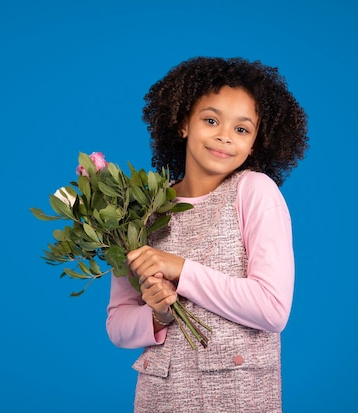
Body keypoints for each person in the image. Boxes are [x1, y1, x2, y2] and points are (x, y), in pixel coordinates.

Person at [106, 56, 309, 413]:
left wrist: (181, 269)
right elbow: (118, 326)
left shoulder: (255, 192)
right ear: (183, 123)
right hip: (159, 399)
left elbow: (273, 309)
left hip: (238, 398)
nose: (224, 136)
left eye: (242, 129)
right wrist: (156, 315)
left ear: (255, 142)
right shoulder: (140, 212)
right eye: (211, 120)